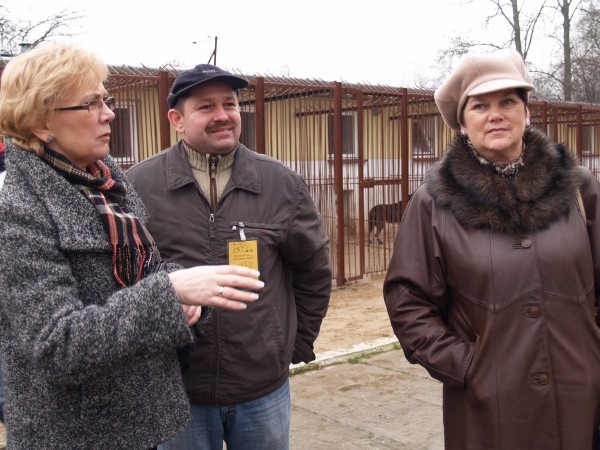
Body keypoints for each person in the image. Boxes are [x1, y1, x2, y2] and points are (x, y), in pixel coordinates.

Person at [0, 42, 266, 450]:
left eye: (104, 100)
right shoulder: (17, 211)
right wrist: (169, 293)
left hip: (138, 420)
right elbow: (57, 343)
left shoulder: (105, 183)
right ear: (40, 123)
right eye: (90, 104)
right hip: (79, 434)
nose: (108, 113)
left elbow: (139, 273)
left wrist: (179, 290)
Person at [383, 48, 600, 449]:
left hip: (581, 399)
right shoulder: (433, 203)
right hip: (489, 412)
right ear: (463, 123)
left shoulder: (578, 187)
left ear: (527, 113)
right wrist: (468, 366)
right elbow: (408, 302)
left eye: (508, 102)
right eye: (480, 106)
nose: (495, 115)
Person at [126, 63, 332, 450]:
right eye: (206, 107)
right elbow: (123, 279)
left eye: (230, 104)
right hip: (177, 390)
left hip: (262, 391)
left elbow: (313, 273)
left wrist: (294, 345)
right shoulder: (139, 185)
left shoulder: (280, 183)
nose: (222, 115)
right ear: (177, 120)